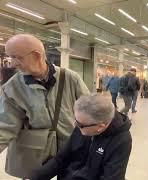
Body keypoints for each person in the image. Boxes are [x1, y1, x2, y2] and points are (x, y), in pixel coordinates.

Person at [0, 34, 90, 178]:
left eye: (17, 57)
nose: (12, 64)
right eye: (10, 57)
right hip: (34, 151)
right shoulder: (12, 88)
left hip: (69, 148)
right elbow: (4, 126)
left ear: (36, 55)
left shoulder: (70, 78)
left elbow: (90, 108)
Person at [29, 93, 132, 180]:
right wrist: (35, 177)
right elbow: (60, 158)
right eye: (76, 120)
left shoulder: (121, 141)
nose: (75, 125)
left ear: (100, 127)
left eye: (80, 124)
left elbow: (111, 177)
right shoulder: (83, 124)